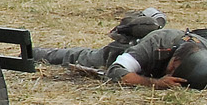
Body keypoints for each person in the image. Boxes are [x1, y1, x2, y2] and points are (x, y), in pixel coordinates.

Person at [34, 8, 170, 71]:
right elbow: (118, 73)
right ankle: (36, 53)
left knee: (80, 56)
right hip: (130, 51)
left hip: (133, 52)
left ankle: (36, 53)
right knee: (79, 56)